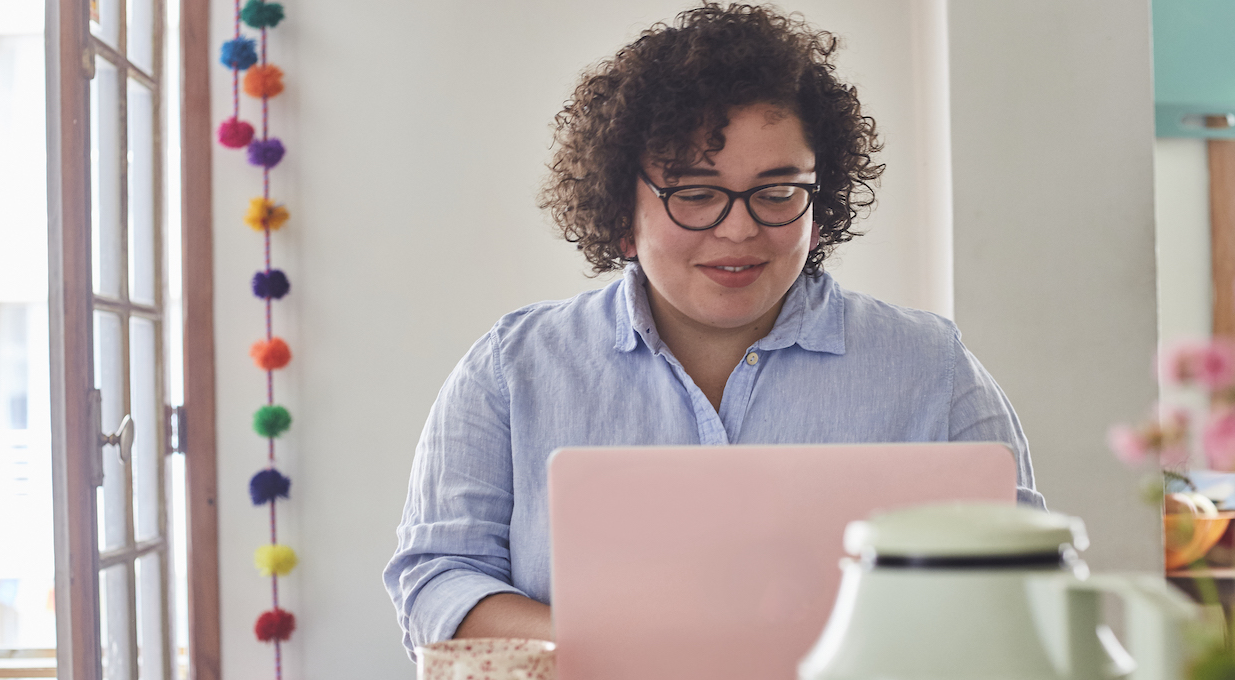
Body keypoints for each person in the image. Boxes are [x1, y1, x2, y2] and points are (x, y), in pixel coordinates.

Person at [383, 2, 1043, 659]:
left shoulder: (930, 367)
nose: (739, 229)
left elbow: (1029, 579)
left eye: (778, 191)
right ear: (621, 207)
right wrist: (624, 650)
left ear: (821, 202)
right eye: (695, 194)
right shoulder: (512, 369)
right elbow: (437, 579)